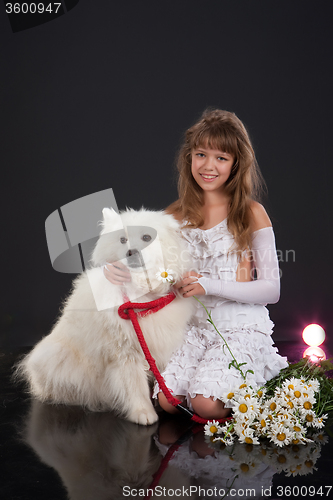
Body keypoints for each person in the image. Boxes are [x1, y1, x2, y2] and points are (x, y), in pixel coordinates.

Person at [104, 109, 288, 420]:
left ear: (236, 163)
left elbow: (272, 290)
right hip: (193, 329)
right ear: (189, 158)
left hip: (238, 327)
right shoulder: (174, 214)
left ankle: (256, 380)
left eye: (221, 158)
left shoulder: (251, 212)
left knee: (204, 405)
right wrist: (122, 271)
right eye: (201, 154)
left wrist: (209, 284)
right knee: (166, 401)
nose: (208, 166)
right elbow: (154, 272)